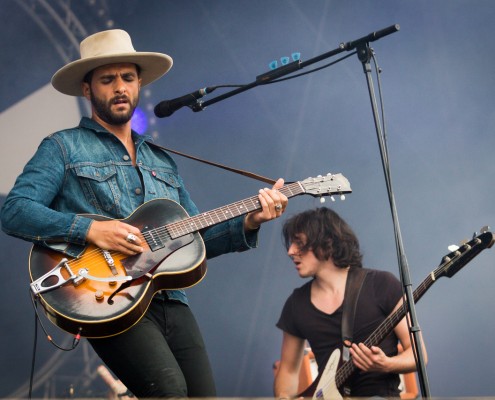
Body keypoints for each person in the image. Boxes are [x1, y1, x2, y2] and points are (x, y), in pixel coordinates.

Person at [0, 29, 288, 398]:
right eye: (107, 79)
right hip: (107, 297)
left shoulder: (161, 159)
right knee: (168, 390)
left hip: (169, 298)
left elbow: (194, 240)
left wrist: (251, 220)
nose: (120, 87)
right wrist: (91, 231)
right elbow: (15, 211)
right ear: (87, 89)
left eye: (128, 78)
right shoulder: (63, 147)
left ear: (138, 84)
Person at [274, 207, 426, 399]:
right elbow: (287, 371)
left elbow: (418, 354)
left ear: (326, 242)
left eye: (299, 242)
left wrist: (386, 364)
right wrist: (283, 397)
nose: (290, 251)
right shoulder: (296, 304)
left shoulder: (381, 284)